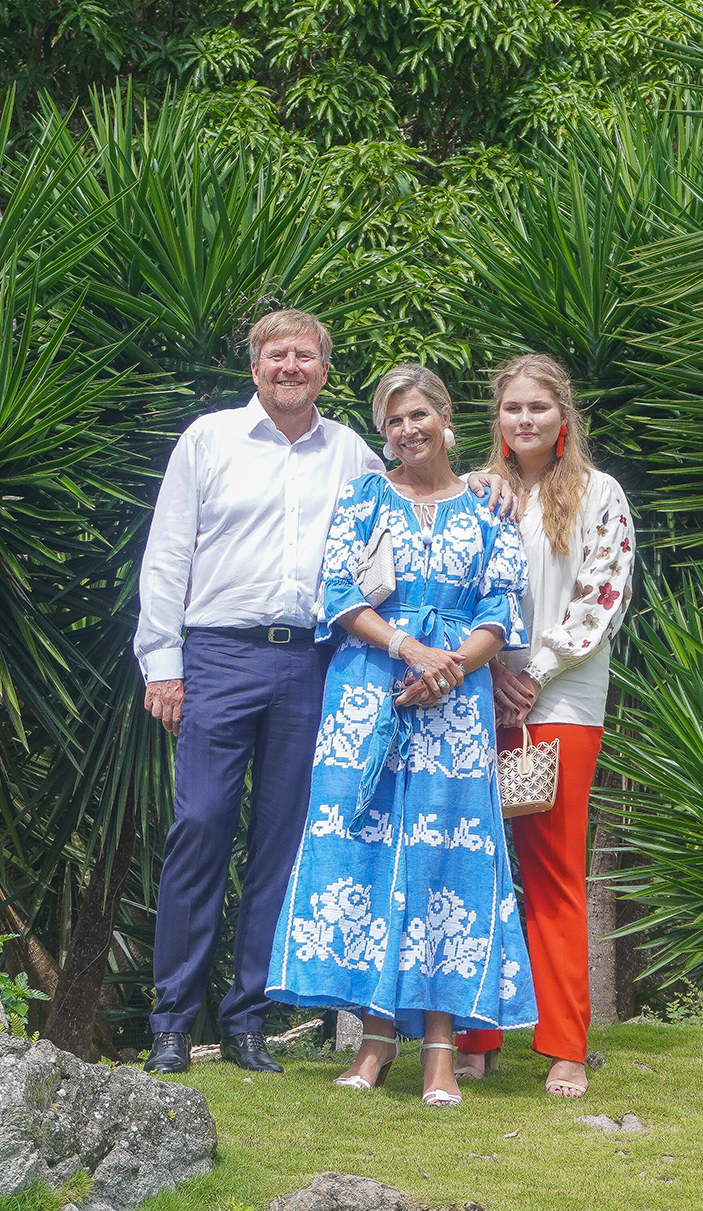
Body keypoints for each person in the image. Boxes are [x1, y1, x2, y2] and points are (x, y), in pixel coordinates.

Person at [133, 313, 509, 1076]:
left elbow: (420, 488)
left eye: (305, 356)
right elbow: (167, 554)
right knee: (200, 826)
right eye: (278, 355)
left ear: (325, 370)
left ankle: (245, 1022)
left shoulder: (350, 453)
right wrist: (161, 662)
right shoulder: (208, 440)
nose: (291, 366)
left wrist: (484, 483)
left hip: (312, 663)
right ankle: (172, 1019)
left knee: (281, 840)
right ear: (255, 365)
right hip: (219, 653)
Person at [265, 364, 537, 1107]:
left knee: (443, 860)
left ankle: (442, 1051)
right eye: (392, 421)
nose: (406, 430)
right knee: (366, 850)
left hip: (456, 703)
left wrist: (449, 671)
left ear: (445, 418)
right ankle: (376, 1040)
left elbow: (499, 607)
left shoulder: (488, 507)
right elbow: (340, 594)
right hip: (367, 692)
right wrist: (409, 650)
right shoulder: (364, 496)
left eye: (418, 415)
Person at [454, 354, 636, 1099]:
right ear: (495, 418)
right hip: (476, 695)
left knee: (554, 873)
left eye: (538, 406)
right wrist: (492, 669)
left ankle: (564, 1042)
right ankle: (476, 1035)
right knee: (476, 868)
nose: (523, 419)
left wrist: (535, 671)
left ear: (565, 415)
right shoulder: (475, 491)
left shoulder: (600, 494)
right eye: (510, 408)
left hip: (560, 703)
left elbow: (603, 596)